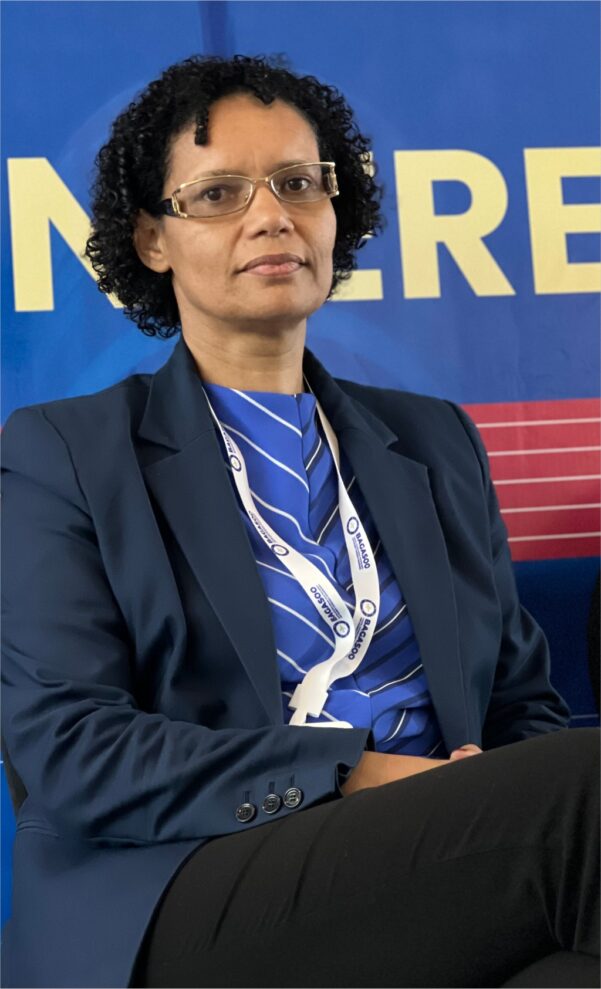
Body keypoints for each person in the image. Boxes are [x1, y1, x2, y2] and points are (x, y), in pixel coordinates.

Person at [1, 53, 598, 989]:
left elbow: (521, 706)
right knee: (588, 787)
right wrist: (362, 773)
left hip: (440, 865)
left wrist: (484, 792)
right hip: (187, 885)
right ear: (152, 239)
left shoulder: (433, 440)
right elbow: (73, 751)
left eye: (297, 183)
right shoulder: (66, 451)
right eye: (218, 194)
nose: (271, 215)